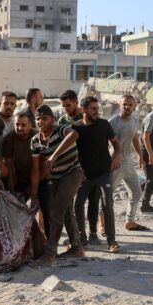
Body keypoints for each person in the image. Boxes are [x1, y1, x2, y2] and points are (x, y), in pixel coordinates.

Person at [30, 105, 84, 265]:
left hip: (73, 172)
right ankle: (77, 247)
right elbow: (35, 169)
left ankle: (50, 253)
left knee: (56, 212)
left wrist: (53, 157)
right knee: (66, 211)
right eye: (38, 119)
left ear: (52, 120)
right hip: (55, 178)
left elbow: (74, 135)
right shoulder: (35, 141)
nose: (41, 121)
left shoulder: (61, 130)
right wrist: (33, 195)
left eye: (44, 118)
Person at [72, 97, 121, 252]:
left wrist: (117, 155)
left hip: (103, 172)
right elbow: (74, 153)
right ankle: (82, 239)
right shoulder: (76, 129)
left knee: (107, 205)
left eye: (97, 108)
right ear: (84, 109)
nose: (96, 111)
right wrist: (80, 170)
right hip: (85, 175)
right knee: (78, 205)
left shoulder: (104, 125)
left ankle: (111, 241)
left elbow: (115, 143)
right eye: (93, 108)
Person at [58, 90, 103, 243]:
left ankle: (93, 233)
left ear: (77, 103)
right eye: (64, 106)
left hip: (91, 166)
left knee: (93, 200)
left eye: (68, 105)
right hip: (71, 166)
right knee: (71, 203)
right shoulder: (63, 120)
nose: (66, 109)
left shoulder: (88, 117)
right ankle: (76, 234)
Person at [109, 95, 149, 231]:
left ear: (135, 106)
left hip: (128, 162)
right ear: (120, 105)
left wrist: (140, 156)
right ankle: (103, 225)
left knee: (137, 192)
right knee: (108, 195)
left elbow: (135, 139)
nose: (127, 107)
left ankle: (130, 221)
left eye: (130, 105)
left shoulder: (134, 121)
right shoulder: (112, 122)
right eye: (124, 104)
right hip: (115, 163)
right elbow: (103, 143)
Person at [2, 112, 38, 198]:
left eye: (23, 125)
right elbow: (9, 165)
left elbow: (42, 165)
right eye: (17, 124)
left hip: (38, 175)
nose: (20, 128)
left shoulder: (37, 136)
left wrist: (32, 187)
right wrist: (11, 189)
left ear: (30, 125)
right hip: (20, 176)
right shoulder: (9, 139)